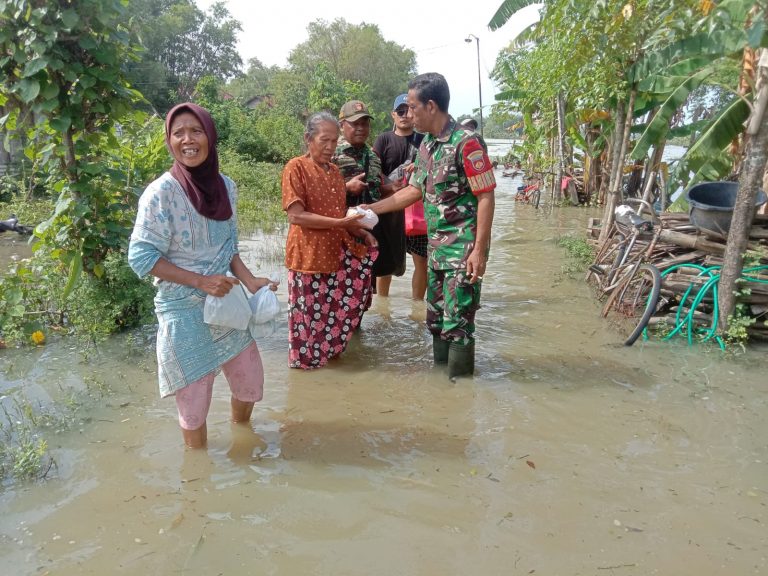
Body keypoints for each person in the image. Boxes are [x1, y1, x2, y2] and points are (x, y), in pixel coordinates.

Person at [128, 102, 276, 449]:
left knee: (250, 382)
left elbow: (230, 246)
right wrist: (200, 281)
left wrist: (250, 280)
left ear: (210, 137)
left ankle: (242, 438)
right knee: (194, 406)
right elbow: (140, 257)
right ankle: (197, 477)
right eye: (178, 132)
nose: (187, 139)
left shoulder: (227, 186)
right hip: (183, 313)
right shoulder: (160, 193)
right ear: (169, 141)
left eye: (196, 131)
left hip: (227, 307)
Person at [367, 73, 496, 379]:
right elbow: (413, 190)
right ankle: (443, 390)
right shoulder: (427, 144)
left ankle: (461, 394)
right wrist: (370, 210)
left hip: (462, 254)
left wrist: (479, 250)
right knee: (436, 321)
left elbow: (486, 196)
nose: (408, 114)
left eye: (412, 107)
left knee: (459, 326)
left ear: (431, 106)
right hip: (437, 251)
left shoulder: (467, 144)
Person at [282, 111, 378, 370]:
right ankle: (306, 372)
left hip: (334, 254)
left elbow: (338, 213)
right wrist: (340, 224)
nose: (330, 147)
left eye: (334, 141)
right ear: (308, 139)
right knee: (307, 325)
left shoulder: (335, 172)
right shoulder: (296, 167)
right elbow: (296, 216)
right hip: (307, 258)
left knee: (335, 315)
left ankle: (330, 364)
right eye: (324, 140)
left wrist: (360, 231)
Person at [332, 100, 402, 297]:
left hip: (369, 233)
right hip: (340, 231)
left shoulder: (372, 155)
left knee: (363, 291)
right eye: (355, 124)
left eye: (365, 123)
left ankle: (358, 326)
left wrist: (391, 188)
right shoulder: (331, 153)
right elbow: (317, 192)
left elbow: (375, 188)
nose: (361, 128)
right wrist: (345, 188)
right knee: (339, 290)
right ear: (342, 125)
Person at [373, 94, 427, 300]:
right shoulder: (383, 139)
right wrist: (389, 184)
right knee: (386, 260)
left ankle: (417, 306)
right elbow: (374, 169)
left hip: (417, 211)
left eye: (409, 110)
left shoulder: (424, 141)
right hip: (390, 208)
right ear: (393, 115)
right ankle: (383, 306)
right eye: (400, 111)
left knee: (421, 260)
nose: (405, 115)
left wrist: (420, 166)